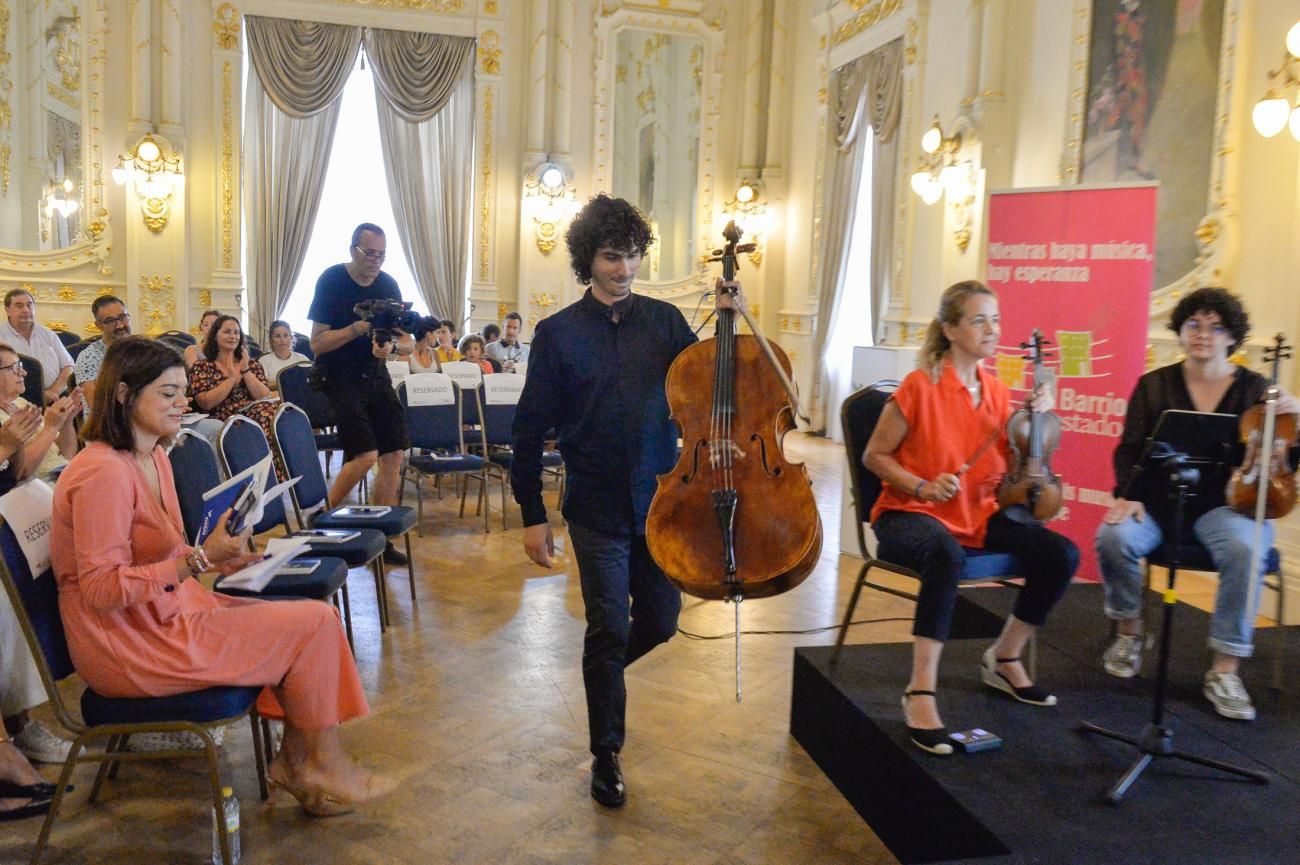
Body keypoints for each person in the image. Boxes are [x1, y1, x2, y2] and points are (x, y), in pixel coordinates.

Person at [50, 336, 395, 816]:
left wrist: (216, 560)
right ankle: (315, 762)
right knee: (312, 624)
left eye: (182, 392)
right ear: (125, 395)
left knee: (310, 622)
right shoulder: (101, 473)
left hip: (163, 613)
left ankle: (302, 761)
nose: (182, 403)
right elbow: (102, 588)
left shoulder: (151, 455)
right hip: (125, 643)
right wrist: (195, 563)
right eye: (167, 394)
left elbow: (160, 550)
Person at [512, 194, 710, 808]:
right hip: (594, 508)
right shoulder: (558, 334)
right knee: (607, 625)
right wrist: (531, 515)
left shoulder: (666, 324)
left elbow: (706, 388)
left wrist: (729, 323)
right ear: (587, 259)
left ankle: (602, 679)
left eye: (631, 256)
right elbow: (527, 430)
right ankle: (607, 754)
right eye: (610, 257)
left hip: (659, 504)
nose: (623, 269)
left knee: (659, 620)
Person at [863, 280, 1079, 756]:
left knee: (1061, 553)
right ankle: (919, 690)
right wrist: (921, 485)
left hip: (976, 514)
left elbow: (1014, 472)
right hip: (908, 513)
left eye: (996, 319)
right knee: (945, 554)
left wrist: (1041, 415)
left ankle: (1005, 656)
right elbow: (875, 456)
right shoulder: (919, 386)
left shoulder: (1001, 395)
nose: (992, 329)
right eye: (979, 319)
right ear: (949, 329)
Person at [1095, 287, 1295, 721]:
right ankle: (1130, 632)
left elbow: (1286, 454)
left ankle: (1225, 668)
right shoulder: (1154, 385)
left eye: (1215, 327)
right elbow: (1129, 448)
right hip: (1157, 502)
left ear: (1231, 337)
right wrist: (1127, 495)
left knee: (1247, 547)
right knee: (1112, 536)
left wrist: (1294, 418)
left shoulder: (1256, 390)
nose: (1203, 334)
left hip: (1226, 506)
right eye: (1194, 325)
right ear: (1181, 331)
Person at [307, 223, 413, 566]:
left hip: (375, 375)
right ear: (353, 249)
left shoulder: (389, 285)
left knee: (394, 453)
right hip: (338, 376)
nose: (376, 261)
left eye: (381, 254)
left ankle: (382, 537)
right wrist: (356, 329)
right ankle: (321, 518)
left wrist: (391, 347)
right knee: (365, 455)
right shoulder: (332, 280)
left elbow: (409, 344)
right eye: (370, 253)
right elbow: (317, 342)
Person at [0, 290, 76, 457]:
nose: (26, 310)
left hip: (52, 399)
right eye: (19, 306)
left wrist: (54, 391)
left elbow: (69, 365)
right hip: (16, 399)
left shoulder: (48, 334)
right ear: (7, 310)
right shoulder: (1, 337)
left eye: (29, 305)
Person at [187, 315, 278, 448]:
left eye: (236, 332)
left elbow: (263, 396)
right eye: (227, 332)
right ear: (215, 336)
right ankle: (263, 464)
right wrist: (230, 379)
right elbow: (206, 403)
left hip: (253, 413)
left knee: (272, 412)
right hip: (222, 417)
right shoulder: (203, 366)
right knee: (263, 414)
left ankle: (273, 464)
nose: (233, 336)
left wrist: (245, 370)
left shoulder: (251, 364)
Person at [0, 342, 81, 481]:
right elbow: (20, 473)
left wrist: (66, 421)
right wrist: (50, 428)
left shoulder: (21, 403)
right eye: (13, 368)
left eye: (20, 366)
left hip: (63, 477)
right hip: (35, 489)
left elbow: (66, 454)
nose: (23, 372)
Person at [73, 294, 132, 413]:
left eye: (122, 317)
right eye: (110, 321)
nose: (120, 325)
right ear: (99, 325)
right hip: (106, 425)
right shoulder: (89, 358)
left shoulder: (142, 349)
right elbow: (96, 406)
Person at [260, 320, 309, 392]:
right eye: (277, 336)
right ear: (271, 339)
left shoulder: (302, 359)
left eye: (286, 335)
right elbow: (261, 387)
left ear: (291, 337)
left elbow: (310, 381)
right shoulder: (263, 361)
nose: (282, 340)